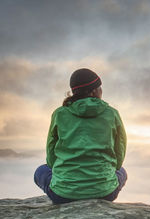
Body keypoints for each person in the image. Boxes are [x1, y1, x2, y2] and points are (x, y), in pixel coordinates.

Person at [34, 68, 127, 204]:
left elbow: (51, 153)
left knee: (40, 171)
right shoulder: (112, 114)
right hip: (105, 193)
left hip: (63, 195)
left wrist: (64, 175)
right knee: (122, 172)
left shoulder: (59, 114)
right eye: (100, 88)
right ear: (94, 91)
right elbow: (120, 151)